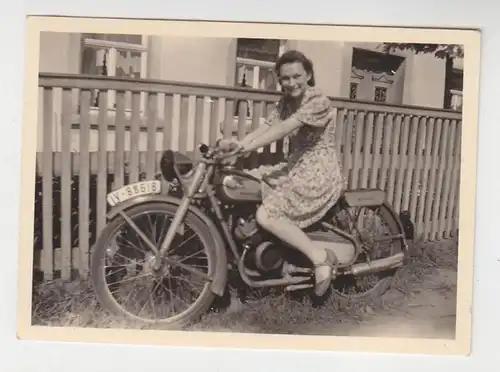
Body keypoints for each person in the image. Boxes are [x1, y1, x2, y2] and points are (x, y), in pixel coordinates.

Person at [219, 50, 346, 297]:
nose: (291, 83)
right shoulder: (285, 102)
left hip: (318, 171)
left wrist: (245, 148)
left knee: (267, 215)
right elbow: (267, 126)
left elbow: (285, 128)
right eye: (285, 78)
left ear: (308, 74)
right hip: (294, 166)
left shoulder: (319, 101)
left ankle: (320, 258)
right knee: (243, 183)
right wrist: (239, 145)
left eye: (297, 76)